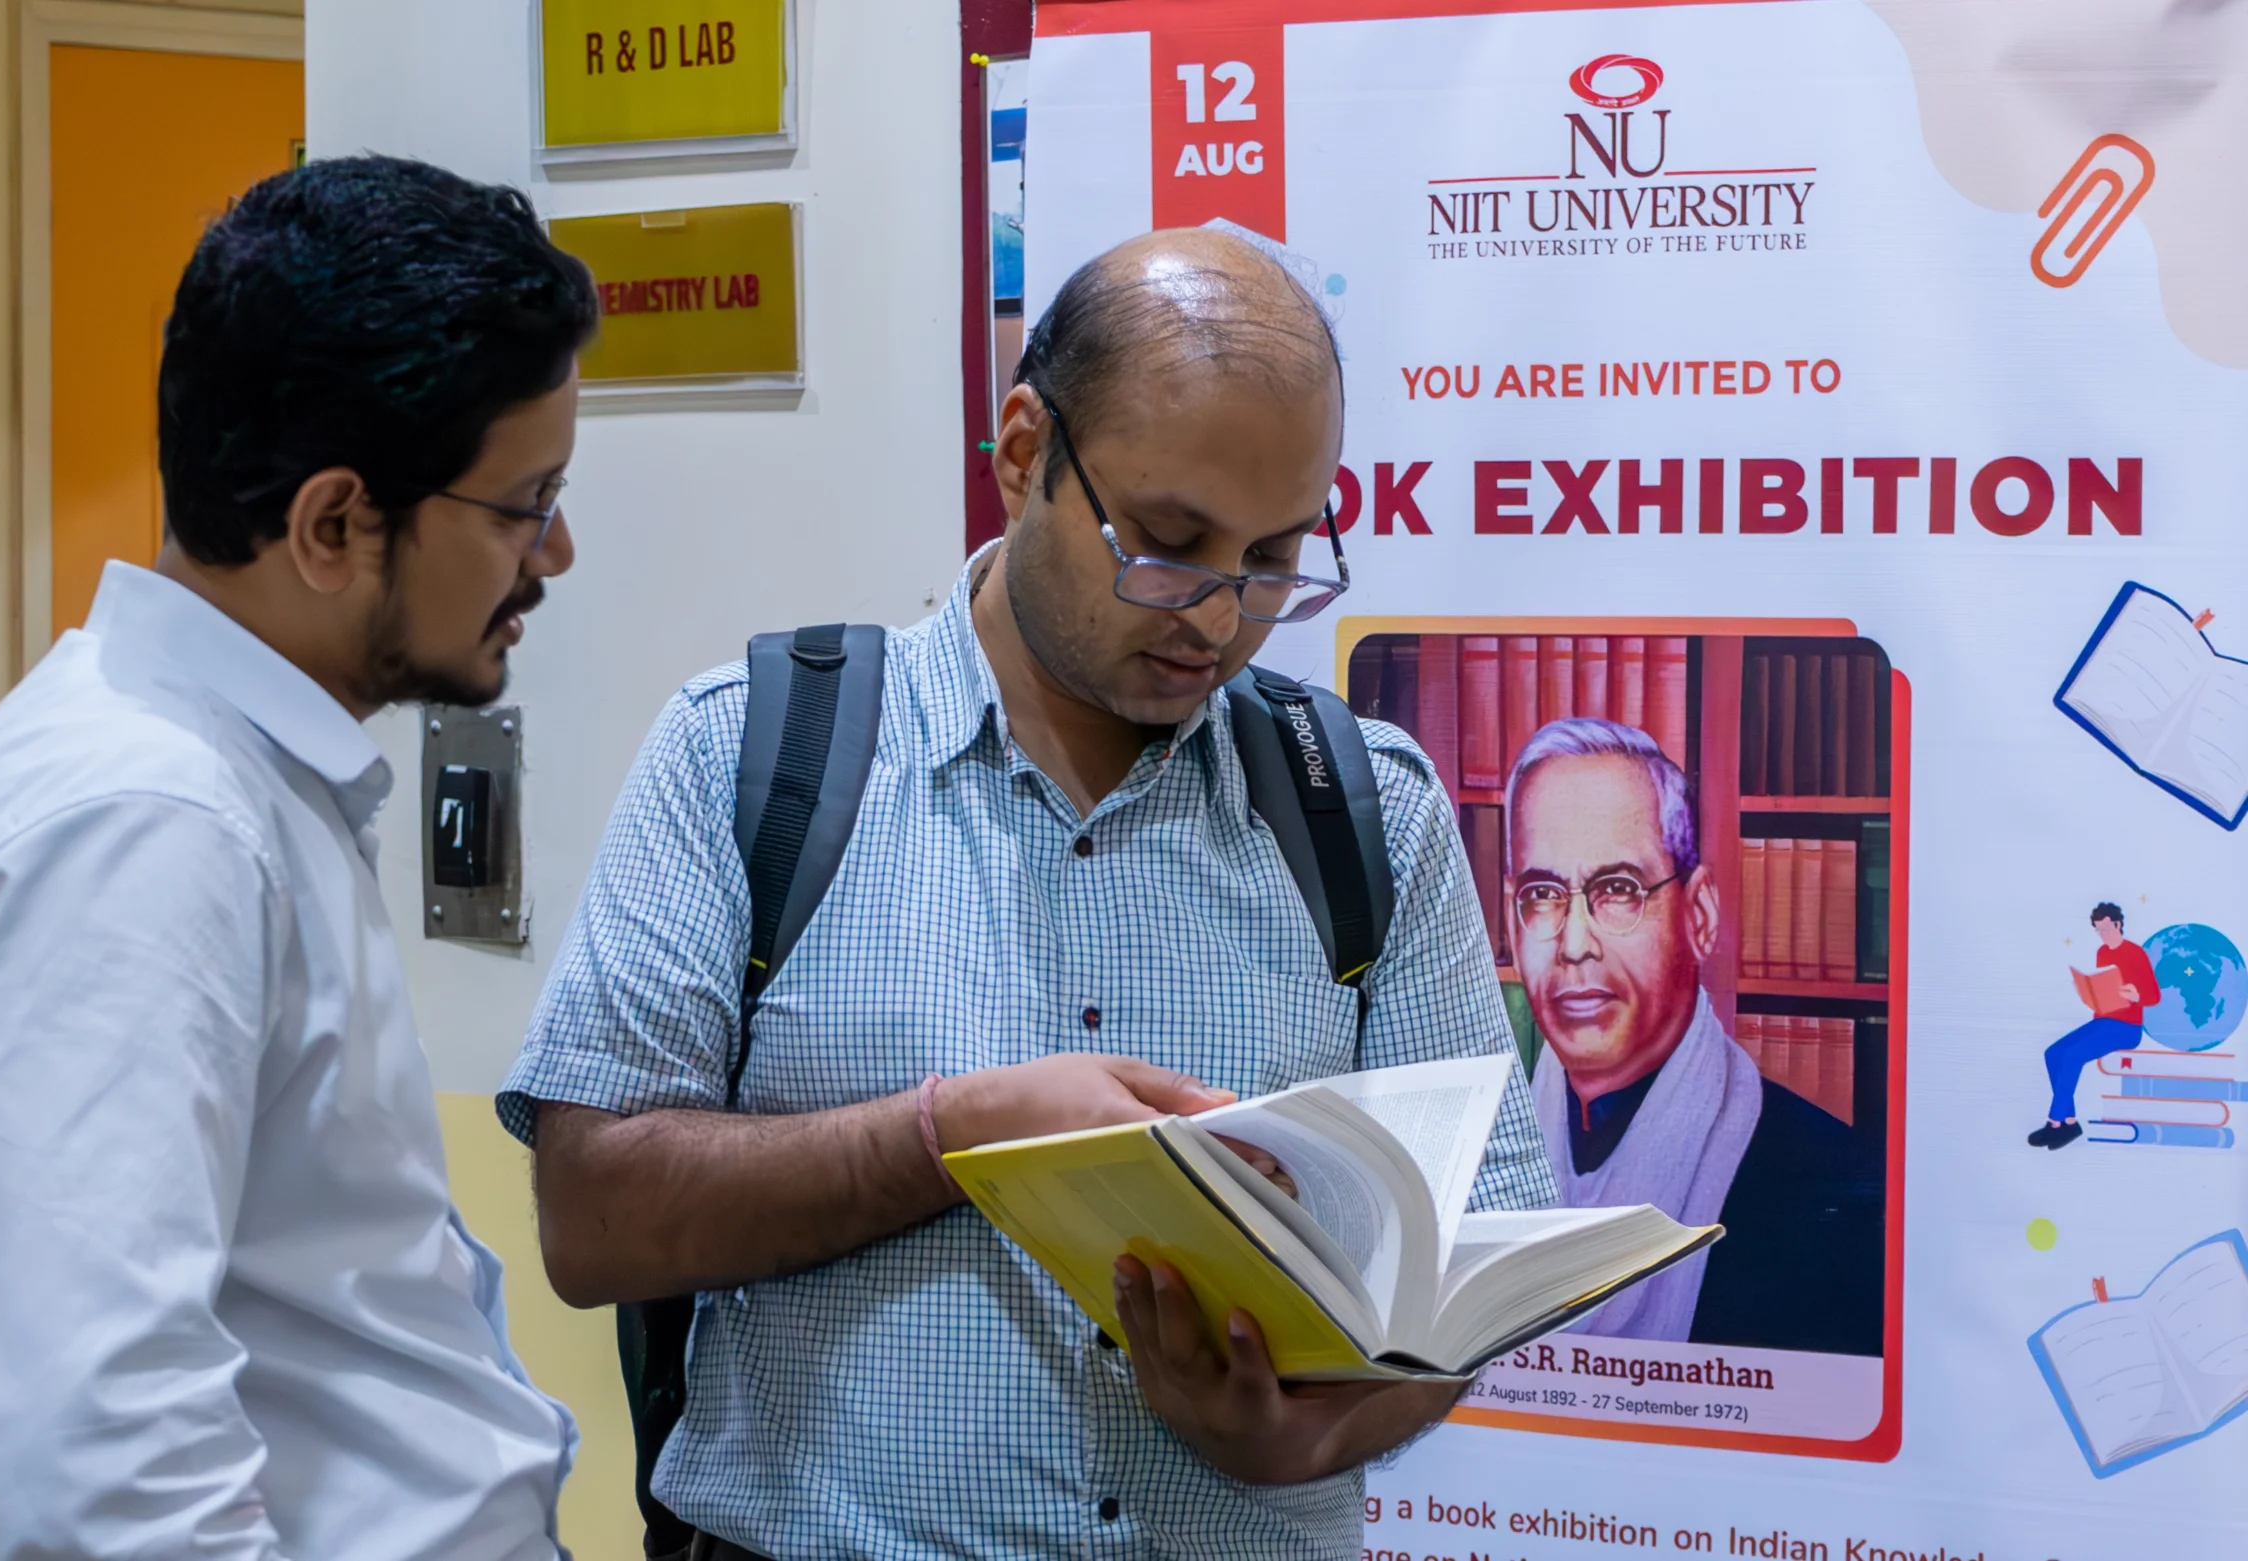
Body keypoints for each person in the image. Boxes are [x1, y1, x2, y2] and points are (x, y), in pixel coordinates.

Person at [501, 227, 1553, 1561]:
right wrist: (953, 1136)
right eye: (1167, 542)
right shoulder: (750, 752)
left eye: (1275, 556)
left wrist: (1314, 1436)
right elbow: (593, 1222)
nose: (1218, 618)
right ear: (1018, 452)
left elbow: (1481, 1249)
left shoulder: (1369, 812)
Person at [0, 156, 595, 1560]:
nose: (554, 551)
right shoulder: (146, 821)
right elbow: (94, 1471)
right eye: (524, 501)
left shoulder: (229, 782)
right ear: (333, 525)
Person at [1505, 717, 1882, 1355]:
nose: (1572, 944)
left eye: (1618, 890)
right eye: (1542, 895)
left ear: (1699, 916)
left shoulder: (1835, 1196)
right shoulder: (1484, 1158)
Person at [2030, 902, 2160, 1148]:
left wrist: (2136, 995)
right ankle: (2069, 1121)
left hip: (2127, 1027)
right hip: (2104, 1020)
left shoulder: (2135, 953)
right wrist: (2089, 994)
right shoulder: (2103, 953)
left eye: (2106, 929)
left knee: (2071, 1056)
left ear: (2118, 924)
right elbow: (2106, 987)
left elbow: (2154, 996)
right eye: (2099, 930)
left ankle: (2055, 1123)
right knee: (2053, 1053)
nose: (2103, 935)